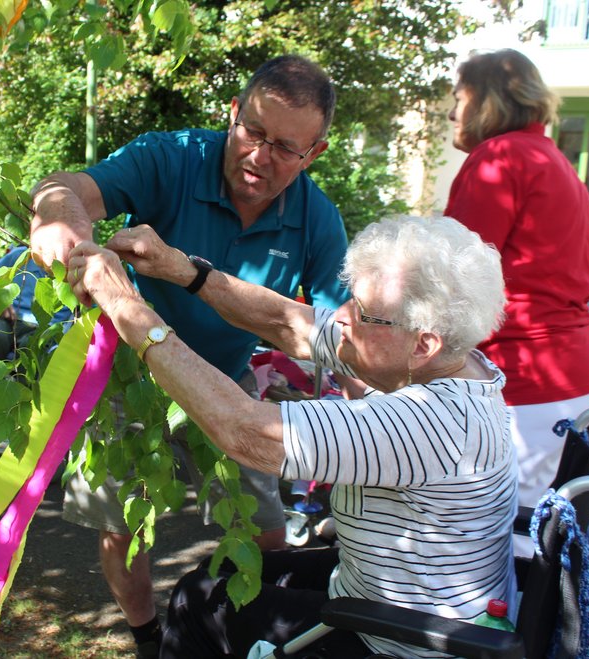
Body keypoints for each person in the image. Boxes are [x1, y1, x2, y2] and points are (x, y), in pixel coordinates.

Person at [65, 214, 517, 659]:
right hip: (376, 592)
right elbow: (286, 322)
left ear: (424, 344)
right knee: (222, 572)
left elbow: (244, 430)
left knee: (196, 601)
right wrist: (182, 268)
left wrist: (125, 304)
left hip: (396, 641)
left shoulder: (429, 423)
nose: (341, 318)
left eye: (362, 313)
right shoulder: (452, 365)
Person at [29, 54, 350, 656]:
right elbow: (65, 187)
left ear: (316, 153)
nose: (260, 156)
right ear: (232, 114)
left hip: (227, 385)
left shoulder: (317, 219)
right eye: (252, 132)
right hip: (127, 378)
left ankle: (250, 631)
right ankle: (148, 635)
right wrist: (60, 221)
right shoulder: (173, 156)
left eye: (286, 147)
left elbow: (343, 337)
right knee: (121, 526)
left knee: (268, 535)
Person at [443, 49, 589, 539]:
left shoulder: (499, 158)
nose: (452, 113)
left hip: (525, 375)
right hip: (572, 371)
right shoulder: (553, 159)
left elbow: (451, 276)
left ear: (485, 101)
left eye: (458, 98)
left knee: (495, 531)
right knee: (532, 525)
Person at [0, 246, 72, 453]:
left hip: (39, 327)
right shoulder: (21, 256)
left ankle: (10, 429)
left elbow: (69, 316)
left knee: (30, 350)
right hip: (1, 318)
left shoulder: (75, 267)